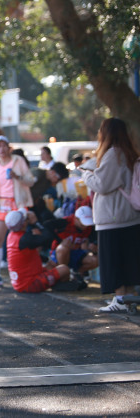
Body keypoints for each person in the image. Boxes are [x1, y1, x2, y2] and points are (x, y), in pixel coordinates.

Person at [82, 118, 140, 312]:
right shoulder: (129, 153)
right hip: (130, 215)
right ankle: (129, 297)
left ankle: (120, 299)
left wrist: (86, 173)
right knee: (128, 259)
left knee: (113, 259)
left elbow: (102, 185)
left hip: (113, 216)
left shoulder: (113, 154)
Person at [0, 135, 35, 287]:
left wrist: (17, 177)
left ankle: (24, 273)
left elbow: (31, 181)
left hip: (18, 204)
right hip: (1, 205)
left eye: (4, 145)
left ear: (9, 147)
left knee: (20, 239)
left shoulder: (18, 161)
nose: (2, 149)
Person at [4, 209, 71, 293]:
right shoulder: (25, 239)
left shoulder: (11, 235)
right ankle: (58, 285)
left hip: (21, 281)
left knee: (52, 265)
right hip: (29, 283)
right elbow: (48, 238)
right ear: (23, 224)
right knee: (64, 269)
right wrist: (36, 222)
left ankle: (54, 282)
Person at [50, 206, 98, 275]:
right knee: (63, 248)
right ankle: (65, 274)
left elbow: (94, 239)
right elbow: (46, 225)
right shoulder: (66, 222)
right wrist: (60, 240)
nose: (85, 226)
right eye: (82, 222)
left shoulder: (89, 227)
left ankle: (76, 274)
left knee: (95, 260)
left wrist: (93, 244)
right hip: (58, 254)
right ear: (76, 219)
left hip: (76, 254)